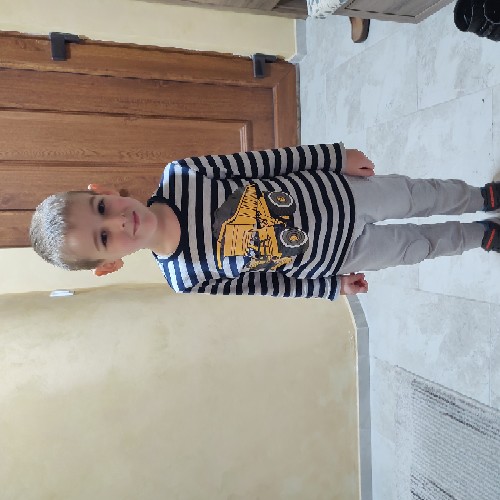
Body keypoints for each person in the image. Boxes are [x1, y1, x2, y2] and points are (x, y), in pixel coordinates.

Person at [29, 143, 500, 300]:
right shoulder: (184, 278)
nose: (119, 222)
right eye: (104, 238)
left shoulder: (182, 175)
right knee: (416, 246)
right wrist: (329, 287)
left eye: (102, 209)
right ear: (109, 265)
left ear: (104, 192)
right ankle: (480, 235)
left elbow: (267, 162)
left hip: (344, 193)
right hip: (336, 257)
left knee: (419, 195)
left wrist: (335, 157)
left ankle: (481, 196)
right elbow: (265, 285)